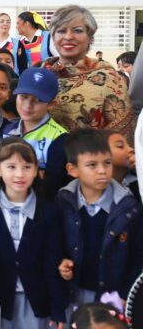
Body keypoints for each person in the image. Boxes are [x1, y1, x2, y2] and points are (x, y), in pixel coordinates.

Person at [0, 137, 66, 328]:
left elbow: (52, 262)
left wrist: (58, 309)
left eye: (27, 167)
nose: (19, 174)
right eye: (11, 167)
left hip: (36, 302)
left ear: (37, 169)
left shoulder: (48, 212)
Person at [57, 129, 143, 311]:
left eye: (107, 163)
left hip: (112, 297)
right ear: (72, 170)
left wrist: (126, 295)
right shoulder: (63, 201)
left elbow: (137, 258)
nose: (102, 171)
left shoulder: (129, 208)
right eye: (92, 165)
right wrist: (61, 262)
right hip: (72, 293)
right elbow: (55, 244)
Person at [42, 5, 134, 141]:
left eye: (77, 31)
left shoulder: (108, 76)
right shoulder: (40, 73)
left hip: (91, 158)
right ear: (53, 37)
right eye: (61, 31)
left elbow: (121, 134)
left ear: (90, 37)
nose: (68, 37)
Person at [2, 67, 70, 200]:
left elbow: (52, 187)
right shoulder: (6, 130)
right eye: (23, 97)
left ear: (52, 104)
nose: (28, 105)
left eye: (37, 100)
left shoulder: (59, 138)